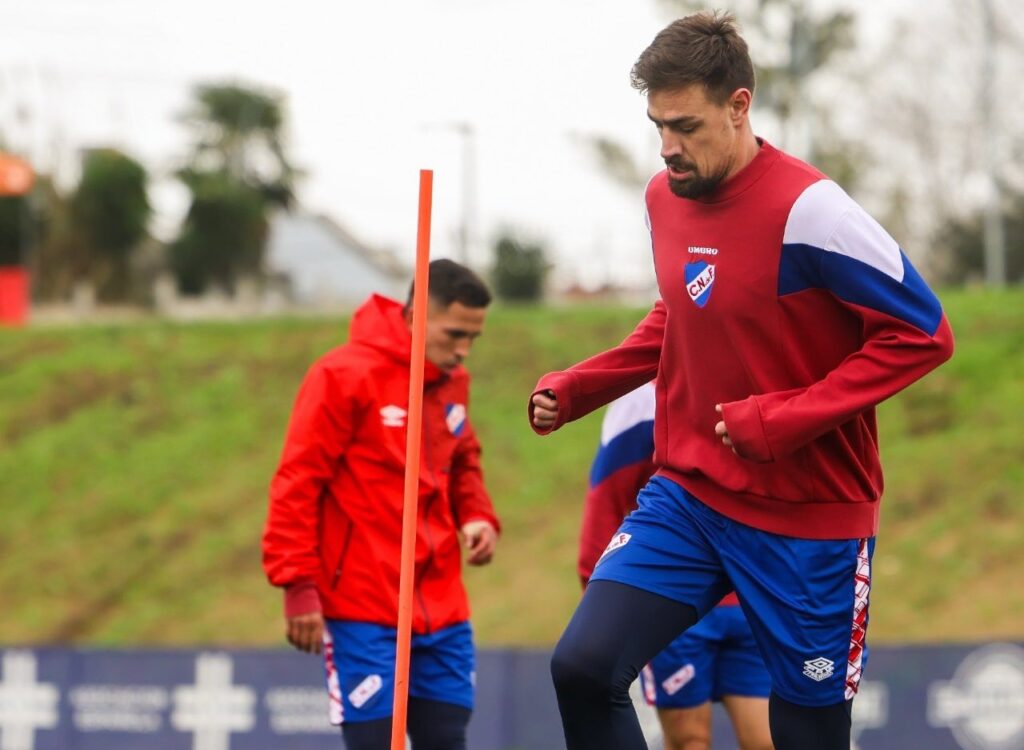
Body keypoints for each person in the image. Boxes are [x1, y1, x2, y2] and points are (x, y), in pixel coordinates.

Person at [529, 12, 954, 750]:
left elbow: (923, 332)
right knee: (584, 667)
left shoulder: (810, 209)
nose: (668, 148)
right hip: (689, 496)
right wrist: (581, 386)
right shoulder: (664, 199)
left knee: (806, 735)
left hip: (810, 520)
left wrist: (787, 417)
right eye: (656, 125)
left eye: (685, 126)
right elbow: (683, 314)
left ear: (739, 105)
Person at [263, 259, 501, 750]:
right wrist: (297, 584)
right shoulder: (340, 375)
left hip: (443, 609)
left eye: (473, 338)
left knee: (447, 741)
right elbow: (297, 482)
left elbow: (464, 460)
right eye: (455, 333)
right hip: (363, 608)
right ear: (415, 316)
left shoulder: (454, 382)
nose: (463, 350)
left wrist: (476, 516)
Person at [582, 382, 773, 750]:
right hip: (674, 601)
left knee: (768, 740)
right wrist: (600, 602)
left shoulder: (763, 377)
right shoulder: (641, 401)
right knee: (689, 741)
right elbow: (606, 499)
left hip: (753, 600)